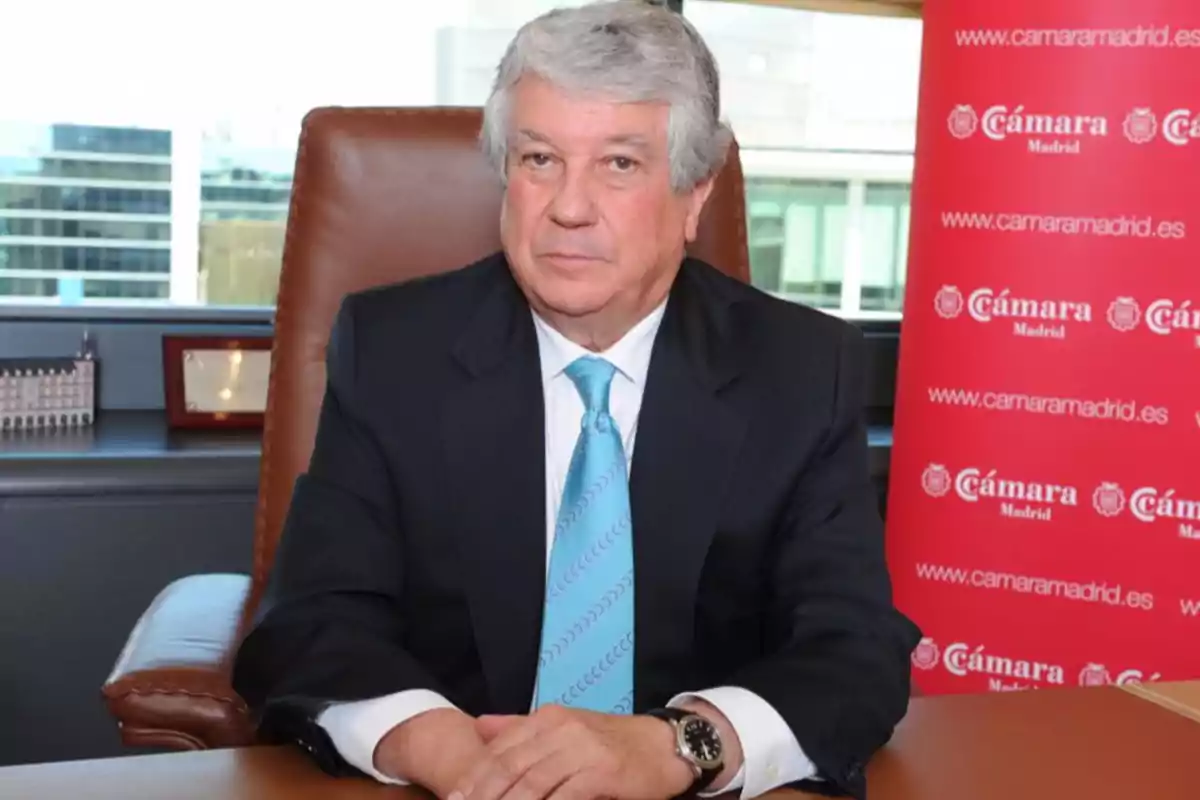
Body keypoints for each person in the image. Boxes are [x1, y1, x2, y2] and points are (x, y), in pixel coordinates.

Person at [231, 2, 921, 799]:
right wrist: (449, 751)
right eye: (539, 159)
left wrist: (676, 746)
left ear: (694, 193)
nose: (568, 206)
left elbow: (853, 649)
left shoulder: (801, 370)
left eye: (620, 164)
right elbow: (312, 621)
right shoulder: (395, 351)